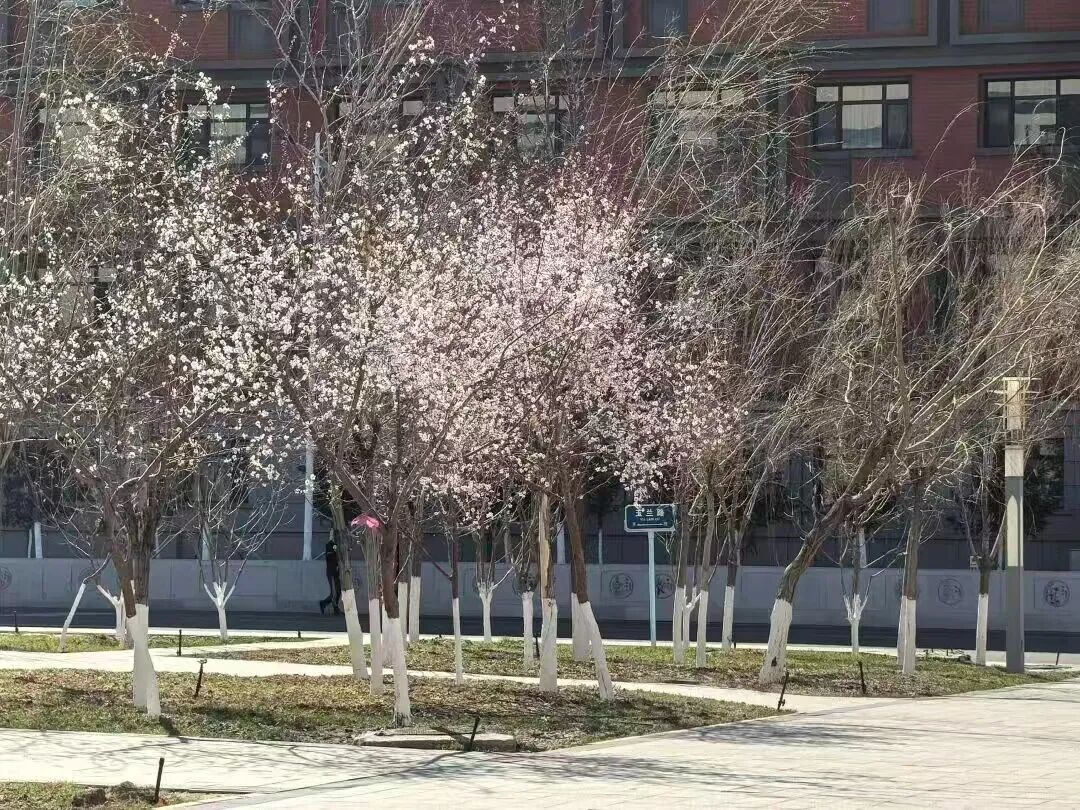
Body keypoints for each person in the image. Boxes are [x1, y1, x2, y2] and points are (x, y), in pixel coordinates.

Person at [319, 538, 342, 615]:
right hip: (331, 573)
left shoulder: (335, 548)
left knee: (338, 591)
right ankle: (328, 605)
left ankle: (332, 606)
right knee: (334, 593)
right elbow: (332, 557)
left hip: (335, 573)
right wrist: (336, 552)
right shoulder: (330, 549)